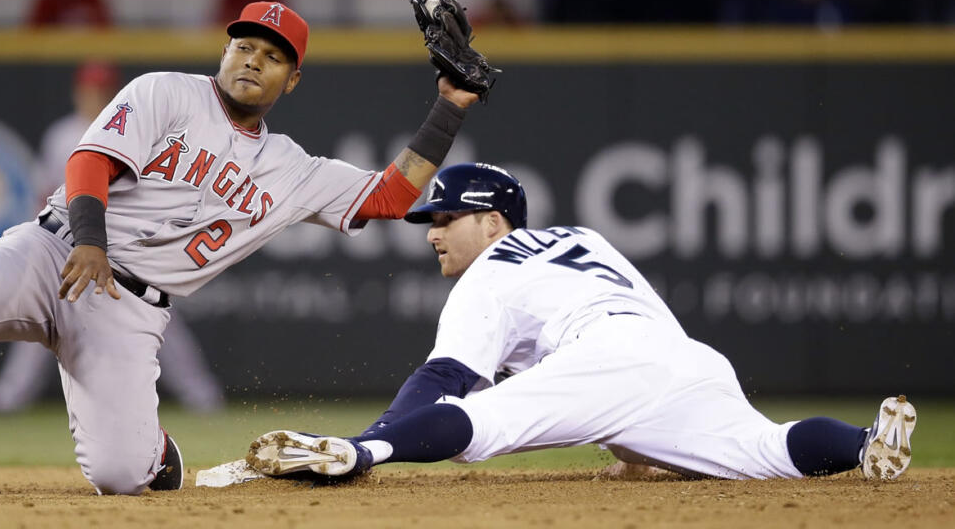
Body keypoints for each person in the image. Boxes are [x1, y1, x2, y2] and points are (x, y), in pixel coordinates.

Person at [0, 0, 481, 496]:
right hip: (52, 252)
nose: (251, 61)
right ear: (224, 50)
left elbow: (389, 197)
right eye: (244, 46)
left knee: (118, 476)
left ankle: (154, 454)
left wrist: (448, 107)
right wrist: (89, 240)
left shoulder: (292, 170)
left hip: (127, 312)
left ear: (291, 79)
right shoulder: (167, 93)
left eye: (271, 56)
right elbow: (89, 165)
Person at [247, 163, 918, 482]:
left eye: (446, 219)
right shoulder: (586, 239)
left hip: (609, 356)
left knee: (475, 427)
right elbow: (628, 376)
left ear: (493, 221)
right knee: (769, 453)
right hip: (687, 360)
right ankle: (868, 443)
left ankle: (358, 454)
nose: (432, 234)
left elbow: (444, 377)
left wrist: (378, 438)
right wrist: (637, 448)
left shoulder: (492, 267)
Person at [0, 61, 224, 415]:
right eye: (88, 89)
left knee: (161, 321)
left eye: (101, 89)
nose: (94, 96)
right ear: (77, 91)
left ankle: (201, 395)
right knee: (45, 313)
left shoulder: (135, 129)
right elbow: (42, 193)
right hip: (69, 238)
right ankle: (8, 396)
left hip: (123, 242)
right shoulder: (61, 135)